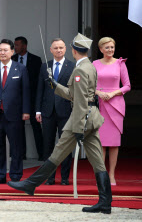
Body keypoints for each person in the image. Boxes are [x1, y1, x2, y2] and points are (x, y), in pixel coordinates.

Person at [8, 33, 113, 214]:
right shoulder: (89, 66)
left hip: (80, 119)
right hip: (91, 118)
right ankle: (105, 201)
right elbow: (75, 94)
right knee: (97, 160)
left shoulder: (80, 70)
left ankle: (30, 184)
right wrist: (54, 85)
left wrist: (79, 127)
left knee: (57, 154)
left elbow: (79, 101)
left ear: (73, 50)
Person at [0, 39, 31, 184]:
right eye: (0, 50)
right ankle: (0, 175)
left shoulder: (20, 68)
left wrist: (26, 111)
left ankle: (15, 175)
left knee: (16, 146)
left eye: (5, 50)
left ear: (12, 52)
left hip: (15, 114)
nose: (2, 53)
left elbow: (26, 92)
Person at [35, 38, 75, 185]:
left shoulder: (72, 66)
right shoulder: (45, 66)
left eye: (61, 47)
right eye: (55, 48)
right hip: (47, 111)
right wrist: (38, 110)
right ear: (51, 50)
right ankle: (49, 177)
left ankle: (64, 178)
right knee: (48, 145)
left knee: (65, 146)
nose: (58, 50)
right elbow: (40, 89)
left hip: (66, 111)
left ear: (65, 49)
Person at [93, 37, 131, 186]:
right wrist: (98, 92)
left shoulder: (120, 64)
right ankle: (101, 176)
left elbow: (127, 85)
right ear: (101, 49)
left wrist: (113, 93)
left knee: (114, 143)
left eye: (112, 47)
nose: (110, 50)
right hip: (101, 104)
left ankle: (112, 175)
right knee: (101, 142)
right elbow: (89, 85)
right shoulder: (94, 64)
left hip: (116, 105)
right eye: (107, 47)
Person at [12, 36, 43, 160]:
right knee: (18, 127)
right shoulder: (12, 59)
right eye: (14, 45)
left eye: (17, 45)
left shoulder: (36, 60)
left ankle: (42, 154)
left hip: (32, 98)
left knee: (36, 126)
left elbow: (39, 81)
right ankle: (21, 154)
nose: (15, 48)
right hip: (16, 99)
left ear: (24, 46)